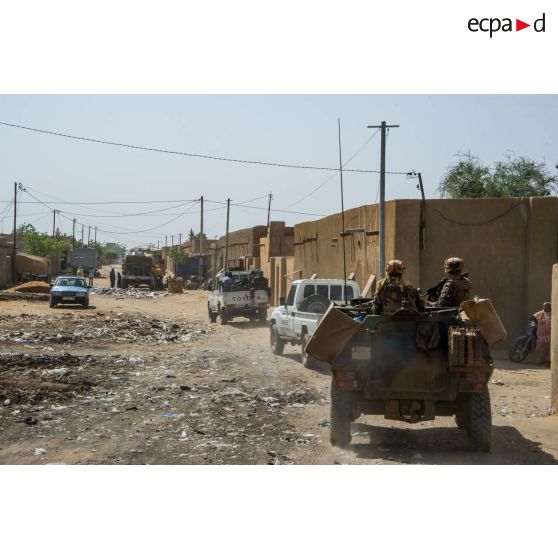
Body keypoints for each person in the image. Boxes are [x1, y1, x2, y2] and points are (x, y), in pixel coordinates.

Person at [533, 302, 551, 367]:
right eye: (544, 306)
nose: (545, 308)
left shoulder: (553, 314)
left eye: (547, 306)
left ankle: (548, 362)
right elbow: (533, 318)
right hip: (541, 334)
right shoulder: (540, 313)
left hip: (550, 335)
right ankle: (539, 361)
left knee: (548, 349)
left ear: (550, 307)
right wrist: (533, 322)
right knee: (540, 348)